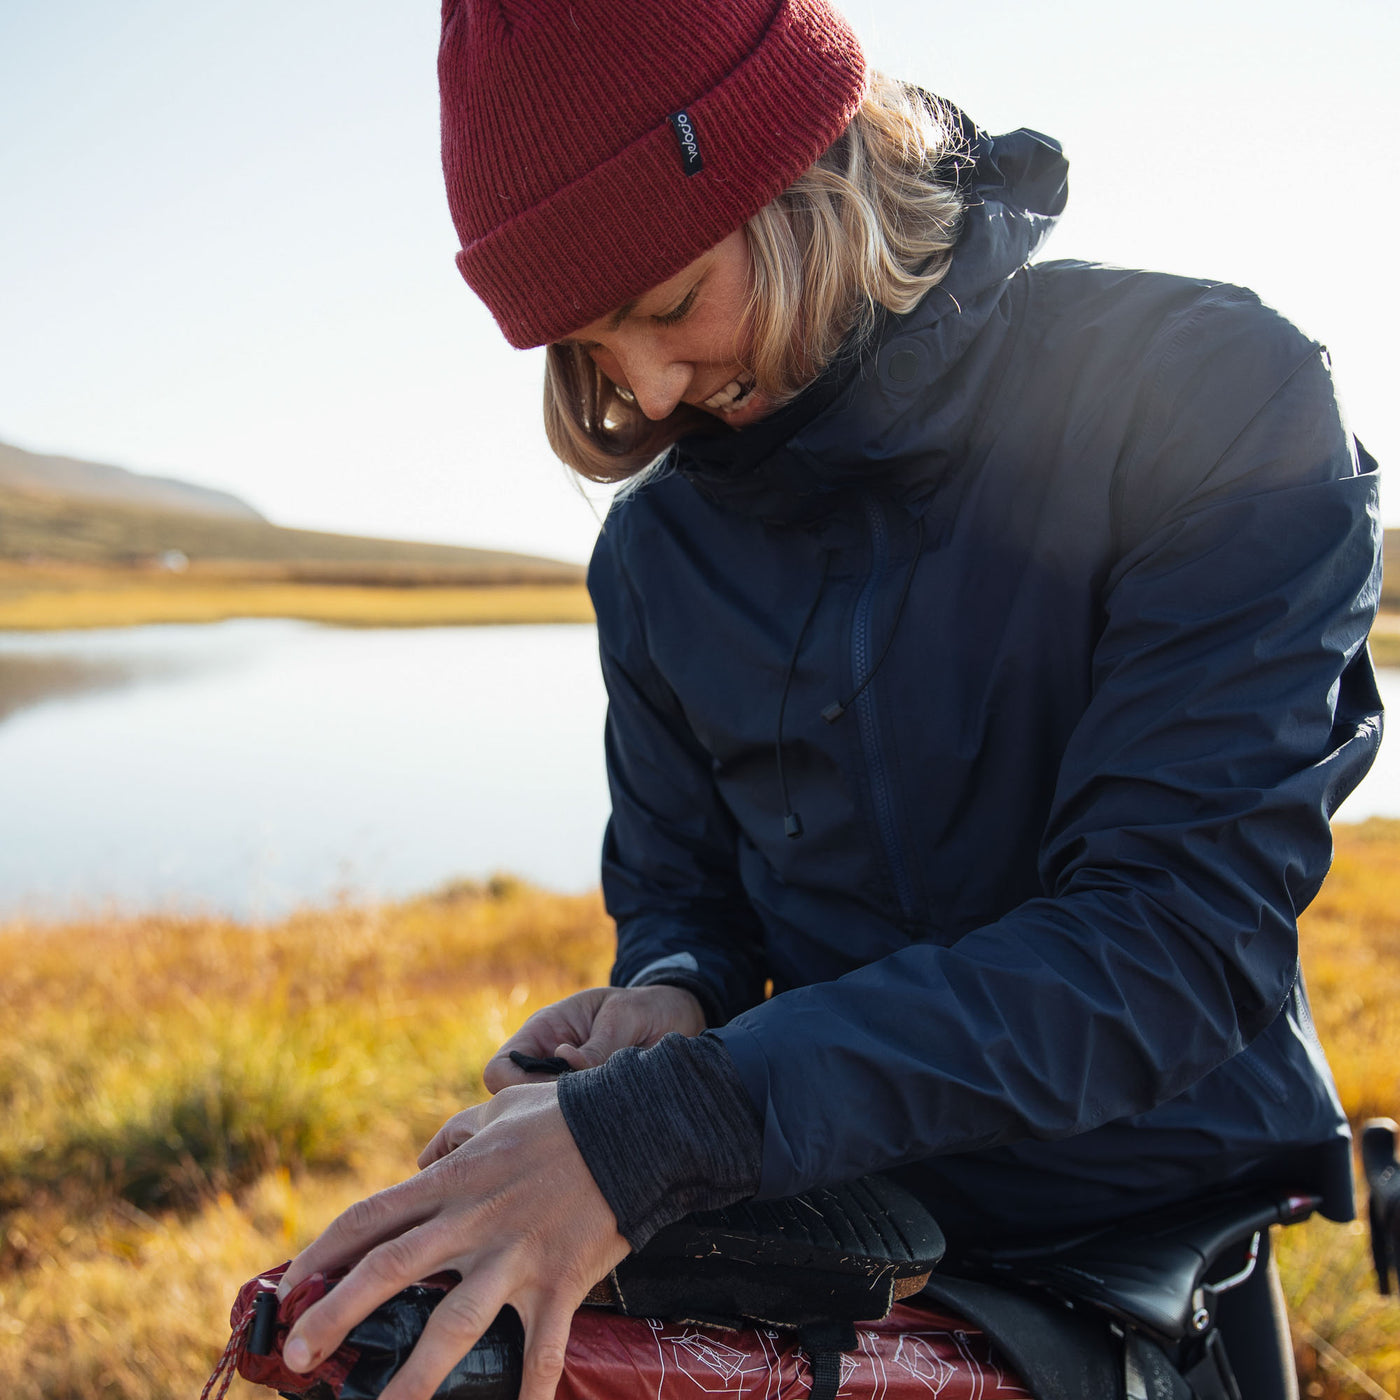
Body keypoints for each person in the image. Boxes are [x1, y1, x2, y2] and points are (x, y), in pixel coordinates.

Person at [273, 2, 1384, 1398]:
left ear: (814, 174)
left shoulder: (1210, 395)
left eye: (670, 303)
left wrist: (663, 1129)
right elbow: (687, 891)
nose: (652, 386)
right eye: (591, 347)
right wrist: (675, 993)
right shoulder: (658, 555)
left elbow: (1174, 945)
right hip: (832, 1217)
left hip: (1151, 1230)